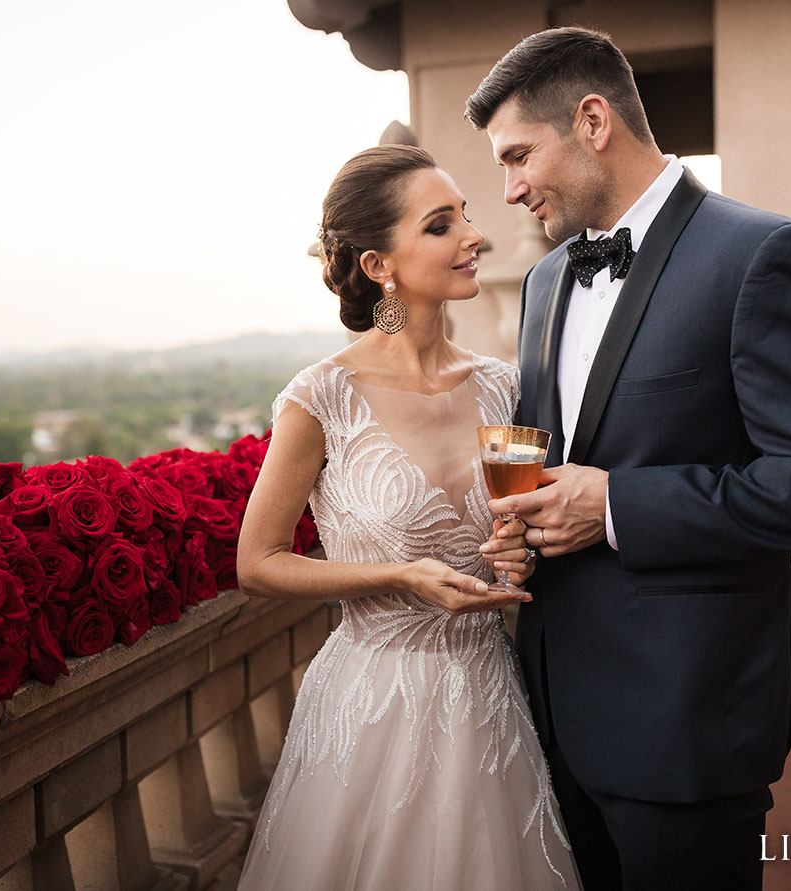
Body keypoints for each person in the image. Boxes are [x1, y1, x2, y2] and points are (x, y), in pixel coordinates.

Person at [467, 27, 791, 890]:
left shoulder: (762, 254)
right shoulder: (547, 280)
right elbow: (549, 445)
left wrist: (619, 504)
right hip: (550, 708)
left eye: (517, 157)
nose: (507, 191)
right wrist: (515, 521)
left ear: (592, 121)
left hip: (686, 717)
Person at [236, 143, 580, 889]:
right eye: (439, 225)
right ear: (378, 266)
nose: (472, 237)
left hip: (488, 698)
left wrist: (516, 552)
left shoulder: (506, 388)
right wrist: (400, 573)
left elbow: (518, 533)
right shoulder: (319, 398)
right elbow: (256, 562)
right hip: (371, 705)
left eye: (465, 216)